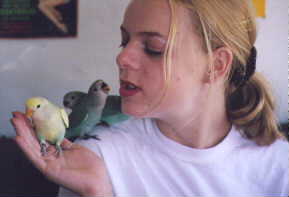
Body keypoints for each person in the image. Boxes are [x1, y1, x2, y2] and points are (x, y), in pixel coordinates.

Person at [11, 0, 288, 196]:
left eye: (154, 48)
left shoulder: (278, 167)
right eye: (124, 40)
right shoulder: (95, 157)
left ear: (216, 65)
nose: (122, 57)